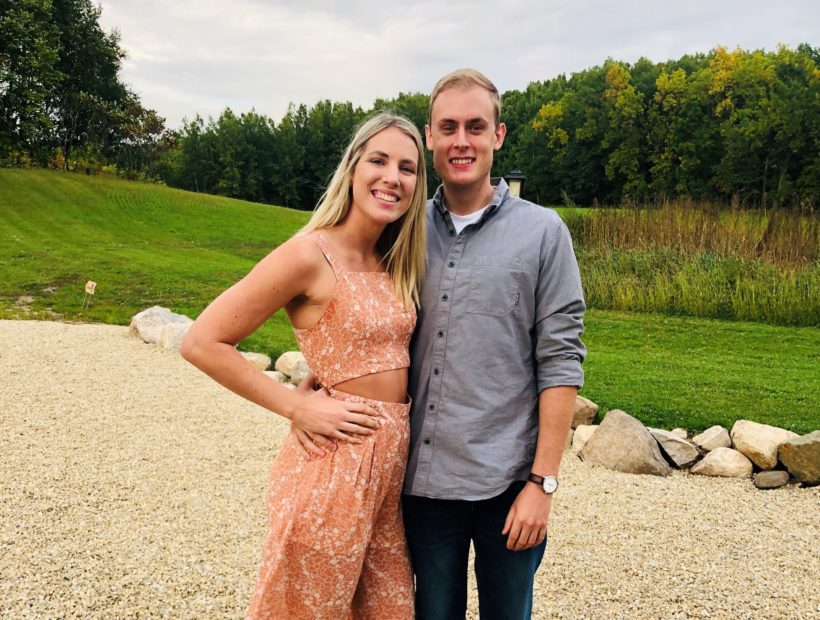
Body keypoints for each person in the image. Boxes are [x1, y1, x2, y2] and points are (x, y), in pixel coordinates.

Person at [180, 112, 428, 619]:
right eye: (378, 160)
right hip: (335, 465)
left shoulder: (393, 259)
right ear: (353, 167)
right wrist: (297, 406)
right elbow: (203, 340)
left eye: (407, 167)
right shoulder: (309, 254)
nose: (392, 177)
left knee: (387, 609)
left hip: (389, 476)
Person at [400, 69, 586, 619]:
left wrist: (542, 484)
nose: (462, 140)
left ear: (498, 136)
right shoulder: (402, 229)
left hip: (508, 483)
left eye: (475, 127)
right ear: (429, 136)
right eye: (449, 127)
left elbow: (561, 359)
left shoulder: (544, 232)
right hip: (424, 484)